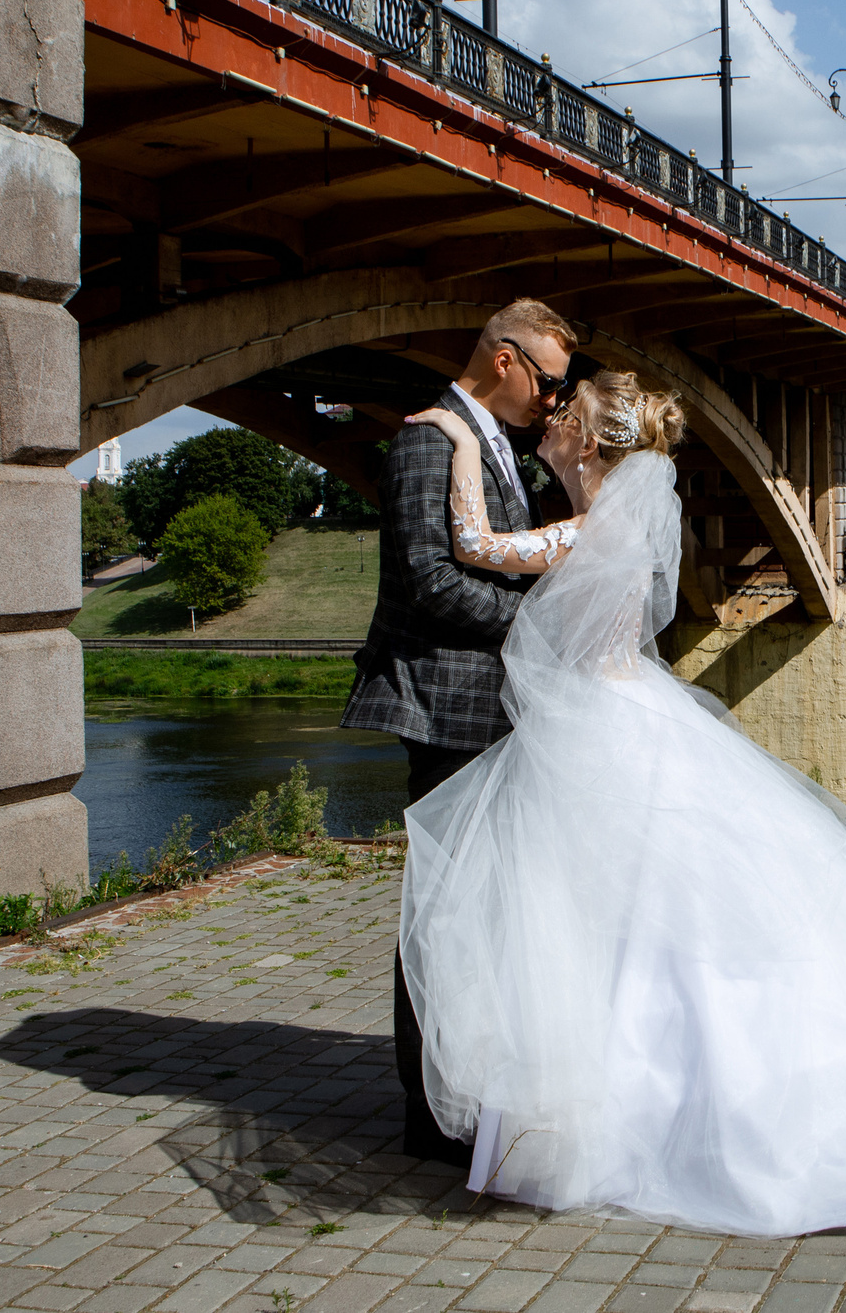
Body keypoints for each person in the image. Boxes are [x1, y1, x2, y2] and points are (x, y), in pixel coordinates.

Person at [395, 371, 846, 1237]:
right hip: (634, 717)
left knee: (605, 921)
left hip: (600, 729)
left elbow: (473, 543)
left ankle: (620, 1103)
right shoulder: (619, 523)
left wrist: (457, 437)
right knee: (654, 923)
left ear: (588, 444)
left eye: (569, 411)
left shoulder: (587, 531)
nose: (552, 417)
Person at [344, 298, 579, 1165]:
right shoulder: (425, 442)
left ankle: (469, 1088)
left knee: (483, 912)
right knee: (443, 915)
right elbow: (429, 580)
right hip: (445, 708)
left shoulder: (493, 444)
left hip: (491, 707)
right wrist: (541, 624)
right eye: (548, 382)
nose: (554, 400)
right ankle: (431, 1113)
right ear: (505, 359)